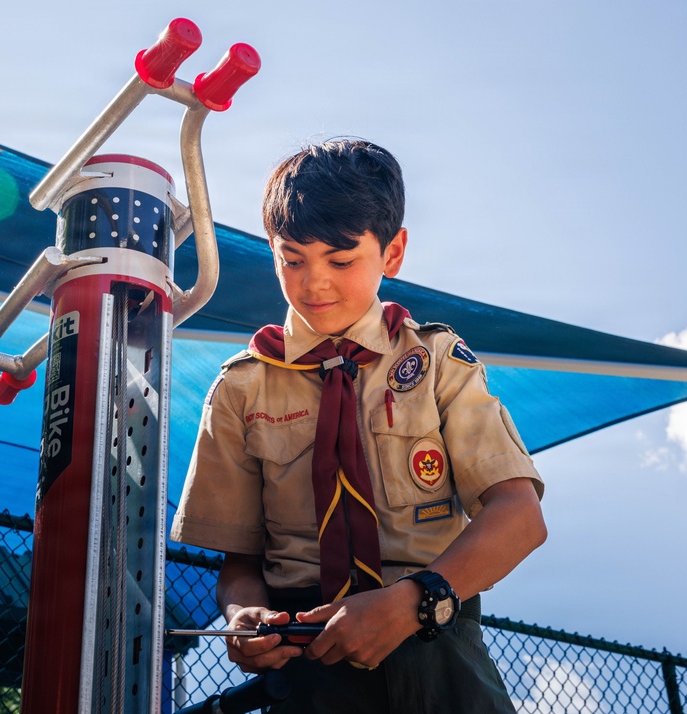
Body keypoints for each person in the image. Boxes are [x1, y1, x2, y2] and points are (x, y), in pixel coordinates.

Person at [169, 138, 547, 713]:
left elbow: (519, 516)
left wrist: (412, 602)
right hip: (309, 667)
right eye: (291, 259)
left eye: (340, 260)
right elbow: (240, 563)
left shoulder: (438, 362)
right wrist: (244, 615)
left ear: (392, 253)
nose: (313, 283)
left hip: (436, 642)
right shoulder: (241, 388)